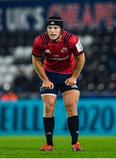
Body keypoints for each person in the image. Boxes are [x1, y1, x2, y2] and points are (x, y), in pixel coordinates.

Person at [32, 16, 85, 152]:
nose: (52, 31)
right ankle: (49, 144)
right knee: (48, 106)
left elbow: (81, 58)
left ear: (61, 29)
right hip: (49, 75)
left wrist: (74, 77)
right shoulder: (40, 41)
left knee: (71, 105)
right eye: (50, 28)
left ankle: (75, 143)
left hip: (68, 75)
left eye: (56, 28)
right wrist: (45, 79)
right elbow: (36, 61)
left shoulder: (71, 39)